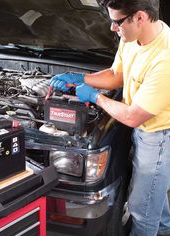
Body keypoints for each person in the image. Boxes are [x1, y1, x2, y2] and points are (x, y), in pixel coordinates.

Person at [50, 0, 170, 235]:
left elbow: (134, 116)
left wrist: (95, 97)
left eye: (116, 22)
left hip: (158, 137)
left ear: (140, 17)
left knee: (141, 210)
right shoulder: (133, 38)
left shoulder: (165, 60)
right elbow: (116, 75)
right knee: (154, 195)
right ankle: (165, 228)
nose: (112, 29)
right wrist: (80, 78)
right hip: (142, 128)